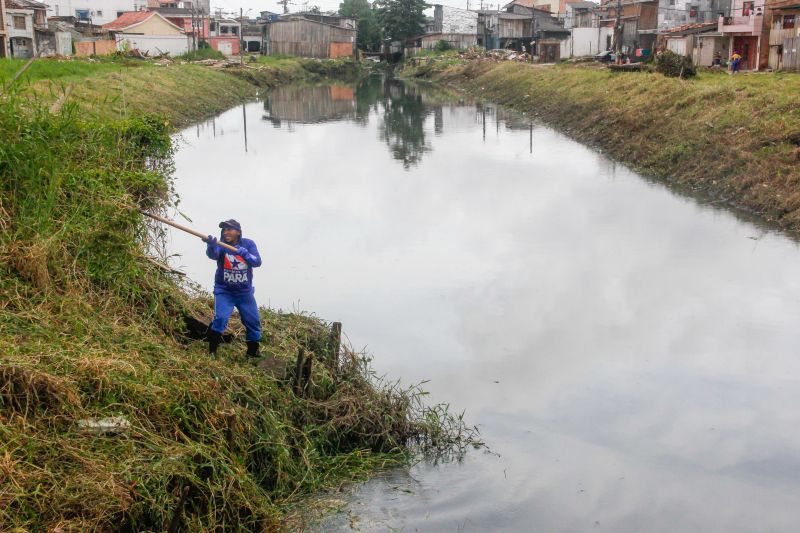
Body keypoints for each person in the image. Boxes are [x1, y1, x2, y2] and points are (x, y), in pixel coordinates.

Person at [205, 219, 262, 357]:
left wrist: (245, 254)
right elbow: (213, 255)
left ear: (238, 232)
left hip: (244, 293)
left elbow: (257, 262)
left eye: (229, 229)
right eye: (224, 230)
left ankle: (252, 353)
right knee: (220, 319)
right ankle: (212, 352)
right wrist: (211, 246)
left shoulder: (248, 244)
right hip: (224, 291)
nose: (226, 232)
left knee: (253, 322)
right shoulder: (221, 244)